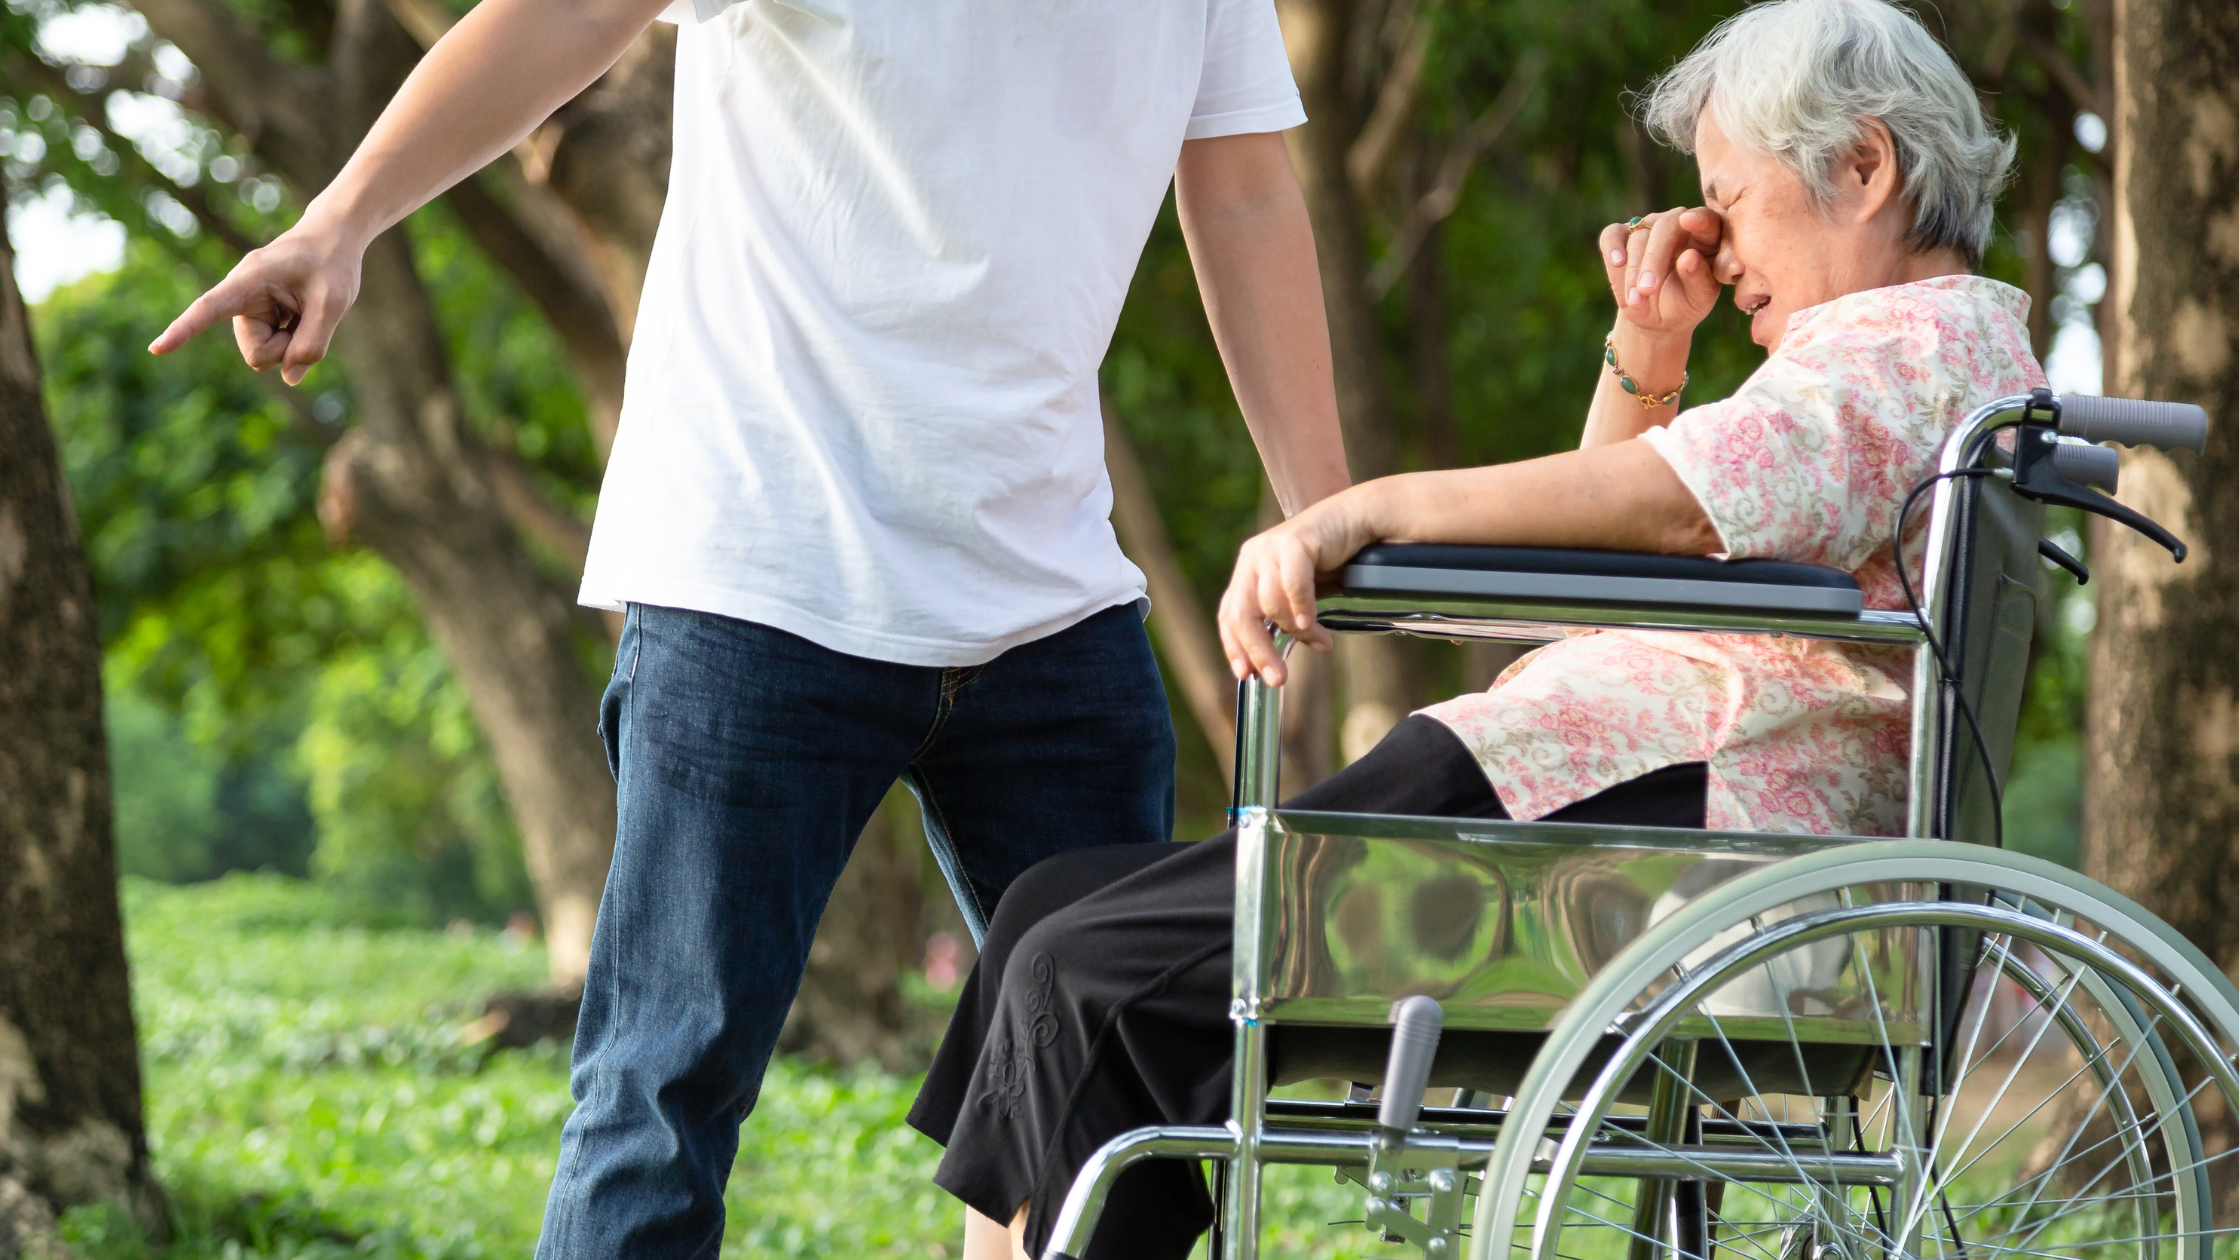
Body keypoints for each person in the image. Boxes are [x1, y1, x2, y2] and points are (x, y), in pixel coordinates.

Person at [148, 0, 1354, 1253]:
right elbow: (563, 17)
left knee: (1115, 1109)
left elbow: (1246, 191)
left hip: (1047, 601)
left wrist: (1327, 513)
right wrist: (339, 221)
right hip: (760, 575)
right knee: (658, 1102)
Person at [907, 1, 2042, 1257]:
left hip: (1656, 832)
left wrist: (1358, 514)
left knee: (1087, 966)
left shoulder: (1893, 356)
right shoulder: (1938, 357)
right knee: (1048, 917)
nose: (1715, 246)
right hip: (1611, 797)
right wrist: (1648, 346)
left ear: (1864, 166)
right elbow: (1612, 540)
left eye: (1728, 195)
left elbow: (1662, 511)